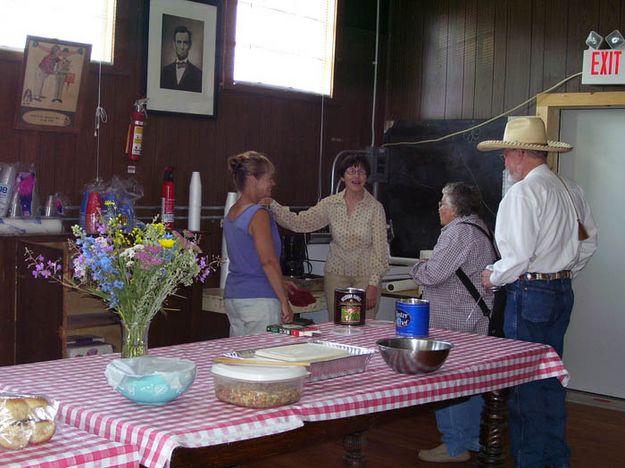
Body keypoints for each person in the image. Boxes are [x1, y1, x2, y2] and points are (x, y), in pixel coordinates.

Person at [478, 116, 598, 468]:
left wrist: (492, 277)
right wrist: (563, 272)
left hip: (530, 292)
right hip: (560, 291)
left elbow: (516, 257)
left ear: (518, 153)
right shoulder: (568, 189)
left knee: (526, 386)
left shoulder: (523, 193)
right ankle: (555, 460)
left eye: (505, 155)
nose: (504, 161)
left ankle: (531, 462)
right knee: (550, 380)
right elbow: (588, 243)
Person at [410, 182, 497, 464]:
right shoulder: (479, 227)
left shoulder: (458, 233)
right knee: (470, 380)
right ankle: (470, 438)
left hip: (453, 320)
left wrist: (416, 267)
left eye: (442, 203)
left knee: (447, 381)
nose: (439, 208)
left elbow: (433, 274)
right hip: (472, 317)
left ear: (455, 208)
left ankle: (454, 444)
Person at [269, 153, 389, 319]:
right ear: (342, 177)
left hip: (366, 277)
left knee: (364, 326)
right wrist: (272, 205)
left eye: (361, 172)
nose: (356, 176)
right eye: (351, 171)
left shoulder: (375, 208)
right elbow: (301, 222)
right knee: (337, 325)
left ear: (366, 177)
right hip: (336, 274)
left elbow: (381, 249)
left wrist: (373, 284)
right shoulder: (330, 204)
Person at [223, 151, 294, 336]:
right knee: (263, 359)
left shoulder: (232, 212)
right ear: (253, 179)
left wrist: (282, 283)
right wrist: (284, 301)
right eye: (269, 178)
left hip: (235, 297)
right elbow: (268, 261)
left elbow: (248, 259)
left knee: (242, 359)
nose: (273, 183)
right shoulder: (258, 213)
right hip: (259, 300)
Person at [160, 26, 202, 93]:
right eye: (179, 42)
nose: (182, 47)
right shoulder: (165, 71)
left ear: (190, 45)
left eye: (185, 42)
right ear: (174, 45)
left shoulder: (198, 74)